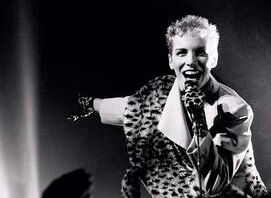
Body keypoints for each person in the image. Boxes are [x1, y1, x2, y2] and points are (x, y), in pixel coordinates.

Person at [67, 15, 268, 197]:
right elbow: (129, 108)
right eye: (182, 53)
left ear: (213, 58)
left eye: (200, 53)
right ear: (171, 61)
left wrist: (198, 120)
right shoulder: (158, 95)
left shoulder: (234, 109)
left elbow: (215, 183)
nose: (190, 61)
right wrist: (89, 104)